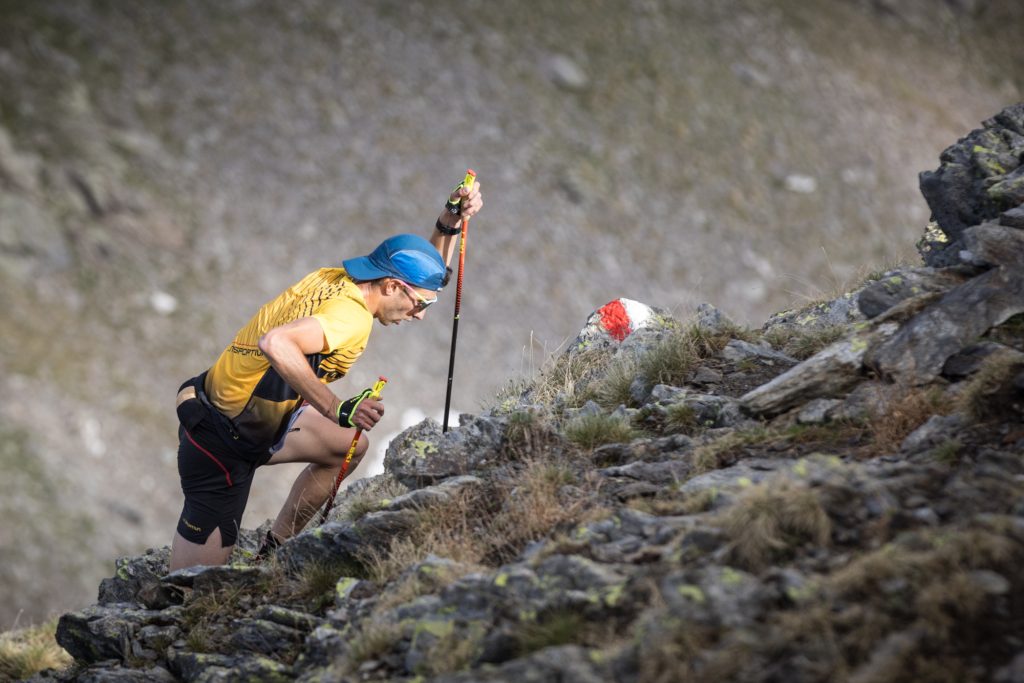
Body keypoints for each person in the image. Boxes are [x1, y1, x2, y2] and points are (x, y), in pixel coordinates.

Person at [169, 180, 483, 571]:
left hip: (247, 417)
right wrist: (337, 408)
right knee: (193, 587)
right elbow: (276, 343)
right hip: (220, 445)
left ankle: (274, 550)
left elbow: (421, 273)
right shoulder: (350, 318)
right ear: (390, 286)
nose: (419, 315)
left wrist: (449, 222)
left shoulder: (341, 280)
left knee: (348, 446)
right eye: (420, 304)